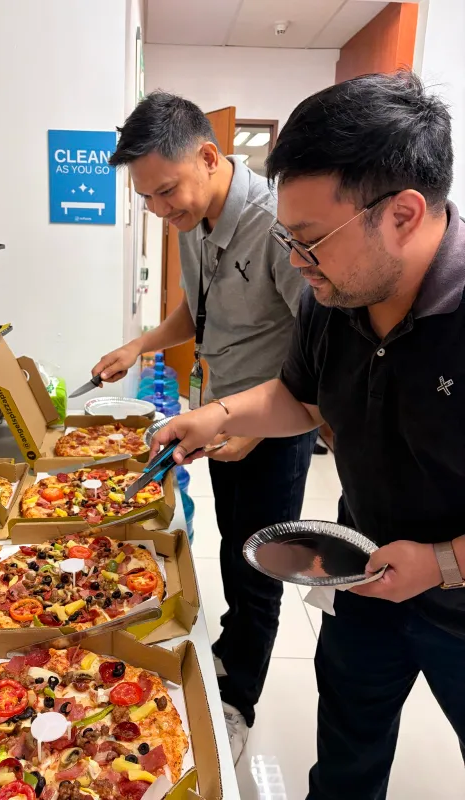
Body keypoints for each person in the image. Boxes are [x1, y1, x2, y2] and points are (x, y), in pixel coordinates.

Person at [149, 71, 465, 800]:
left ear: (405, 214)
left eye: (313, 239)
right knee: (347, 752)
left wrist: (443, 563)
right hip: (364, 562)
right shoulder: (335, 291)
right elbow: (298, 396)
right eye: (290, 237)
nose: (296, 261)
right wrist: (221, 416)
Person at [92, 91, 316, 761]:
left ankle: (239, 700)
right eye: (150, 201)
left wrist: (264, 421)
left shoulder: (276, 224)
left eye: (168, 192)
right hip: (218, 416)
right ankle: (225, 655)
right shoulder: (194, 226)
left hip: (275, 425)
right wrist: (141, 345)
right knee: (226, 546)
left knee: (261, 565)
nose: (164, 211)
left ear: (210, 156)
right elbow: (199, 311)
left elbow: (319, 339)